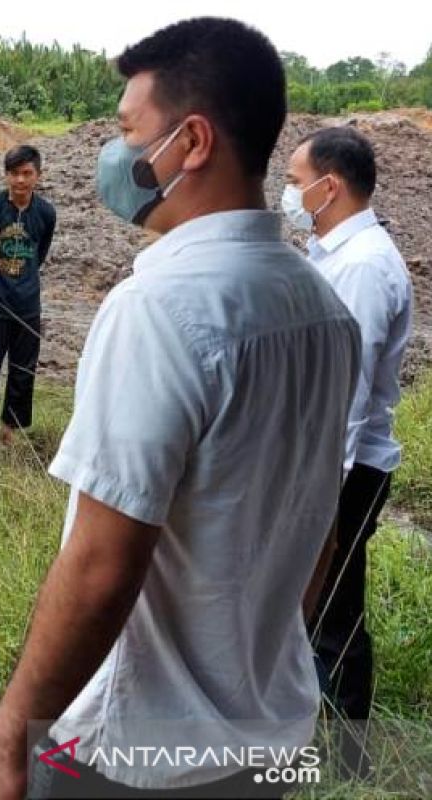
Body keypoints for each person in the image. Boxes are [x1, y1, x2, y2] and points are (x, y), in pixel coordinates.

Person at [0, 18, 361, 799]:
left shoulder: (160, 309)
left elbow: (103, 564)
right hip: (268, 738)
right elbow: (322, 526)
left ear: (193, 142)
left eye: (129, 132)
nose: (117, 157)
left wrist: (8, 745)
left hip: (135, 759)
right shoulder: (322, 309)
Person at [285, 126, 413, 778]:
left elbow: (345, 393)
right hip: (331, 464)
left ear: (327, 186)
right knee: (322, 607)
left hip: (344, 469)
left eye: (294, 177)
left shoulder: (363, 266)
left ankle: (345, 764)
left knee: (332, 614)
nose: (287, 190)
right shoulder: (334, 251)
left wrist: (318, 495)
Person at [0, 144, 56, 464]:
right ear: (5, 176)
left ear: (38, 175)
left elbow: (40, 253)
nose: (20, 180)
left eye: (26, 173)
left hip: (28, 305)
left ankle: (10, 429)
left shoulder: (46, 213)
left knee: (22, 370)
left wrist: (23, 281)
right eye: (14, 173)